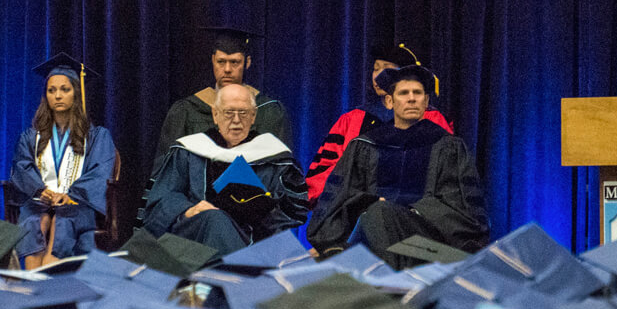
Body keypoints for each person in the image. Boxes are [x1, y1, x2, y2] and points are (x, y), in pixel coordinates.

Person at [307, 64, 488, 265]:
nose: (411, 98)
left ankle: (389, 286)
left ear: (426, 101)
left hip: (425, 237)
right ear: (389, 101)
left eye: (418, 93)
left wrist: (412, 211)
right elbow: (341, 197)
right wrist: (369, 202)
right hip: (370, 230)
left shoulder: (448, 146)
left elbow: (462, 206)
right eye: (403, 93)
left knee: (380, 214)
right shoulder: (364, 145)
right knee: (375, 215)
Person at [139, 83, 307, 254]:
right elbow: (161, 200)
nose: (236, 120)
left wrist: (258, 215)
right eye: (228, 112)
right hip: (194, 241)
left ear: (253, 116)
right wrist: (187, 210)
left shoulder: (273, 156)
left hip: (253, 240)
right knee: (214, 219)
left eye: (243, 112)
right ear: (215, 115)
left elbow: (293, 209)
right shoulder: (189, 151)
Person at [7, 54, 117, 266]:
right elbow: (21, 167)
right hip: (41, 202)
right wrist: (40, 190)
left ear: (76, 92)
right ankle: (32, 287)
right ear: (45, 95)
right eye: (52, 90)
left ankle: (51, 286)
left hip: (77, 203)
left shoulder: (96, 137)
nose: (57, 95)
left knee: (63, 220)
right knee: (33, 221)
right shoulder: (31, 136)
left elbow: (100, 172)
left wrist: (70, 195)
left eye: (65, 89)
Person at [306, 43, 454, 201]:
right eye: (375, 68)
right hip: (355, 211)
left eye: (387, 68)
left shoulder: (431, 119)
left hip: (415, 211)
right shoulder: (352, 120)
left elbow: (447, 173)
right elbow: (326, 171)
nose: (377, 76)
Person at [152, 26, 292, 169]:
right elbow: (167, 170)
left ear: (247, 63)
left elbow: (281, 168)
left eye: (234, 62)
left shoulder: (269, 111)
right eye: (221, 61)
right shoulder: (187, 110)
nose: (227, 69)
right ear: (213, 60)